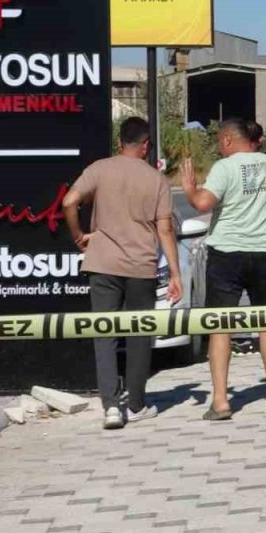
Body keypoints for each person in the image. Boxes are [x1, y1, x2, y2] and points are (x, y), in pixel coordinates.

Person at [182, 118, 266, 420]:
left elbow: (203, 203)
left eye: (219, 139)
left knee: (220, 326)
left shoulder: (225, 167)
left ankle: (221, 402)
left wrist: (190, 189)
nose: (218, 145)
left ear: (228, 139)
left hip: (226, 254)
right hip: (264, 253)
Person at [62, 117, 181, 429]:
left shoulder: (99, 169)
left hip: (102, 263)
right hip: (140, 266)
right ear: (145, 146)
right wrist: (176, 273)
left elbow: (68, 201)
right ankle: (138, 404)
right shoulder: (156, 179)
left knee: (104, 334)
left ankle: (111, 407)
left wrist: (79, 235)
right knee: (140, 334)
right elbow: (165, 230)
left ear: (119, 143)